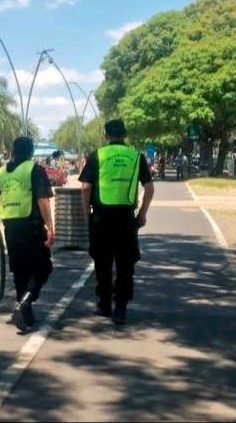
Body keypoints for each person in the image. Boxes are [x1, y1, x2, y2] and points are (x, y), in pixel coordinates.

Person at [79, 119, 155, 326]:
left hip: (101, 219)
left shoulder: (98, 155)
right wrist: (143, 213)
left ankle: (104, 303)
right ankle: (120, 308)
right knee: (125, 264)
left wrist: (87, 213)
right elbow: (149, 188)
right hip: (125, 220)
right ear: (125, 134)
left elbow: (85, 188)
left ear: (106, 135)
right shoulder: (136, 157)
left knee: (102, 262)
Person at [0, 137, 56, 332]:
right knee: (42, 267)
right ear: (31, 152)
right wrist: (51, 228)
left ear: (13, 151)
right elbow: (43, 200)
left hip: (11, 226)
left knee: (20, 269)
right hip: (32, 225)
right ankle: (26, 301)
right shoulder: (35, 169)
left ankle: (26, 314)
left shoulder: (0, 173)